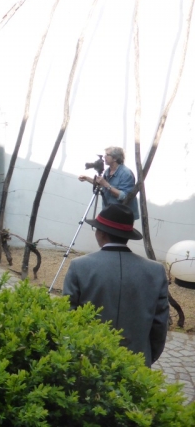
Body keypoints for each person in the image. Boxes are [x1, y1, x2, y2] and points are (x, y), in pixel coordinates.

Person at [62, 204, 169, 367]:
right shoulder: (155, 271)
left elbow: (68, 316)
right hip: (137, 362)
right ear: (127, 235)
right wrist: (148, 357)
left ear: (101, 233)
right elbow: (160, 324)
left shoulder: (79, 266)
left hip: (88, 360)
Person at [78, 146, 140, 220]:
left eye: (107, 155)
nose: (104, 157)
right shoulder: (108, 171)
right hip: (109, 211)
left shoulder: (126, 174)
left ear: (115, 158)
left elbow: (125, 196)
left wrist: (106, 185)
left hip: (122, 215)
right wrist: (86, 178)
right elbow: (102, 184)